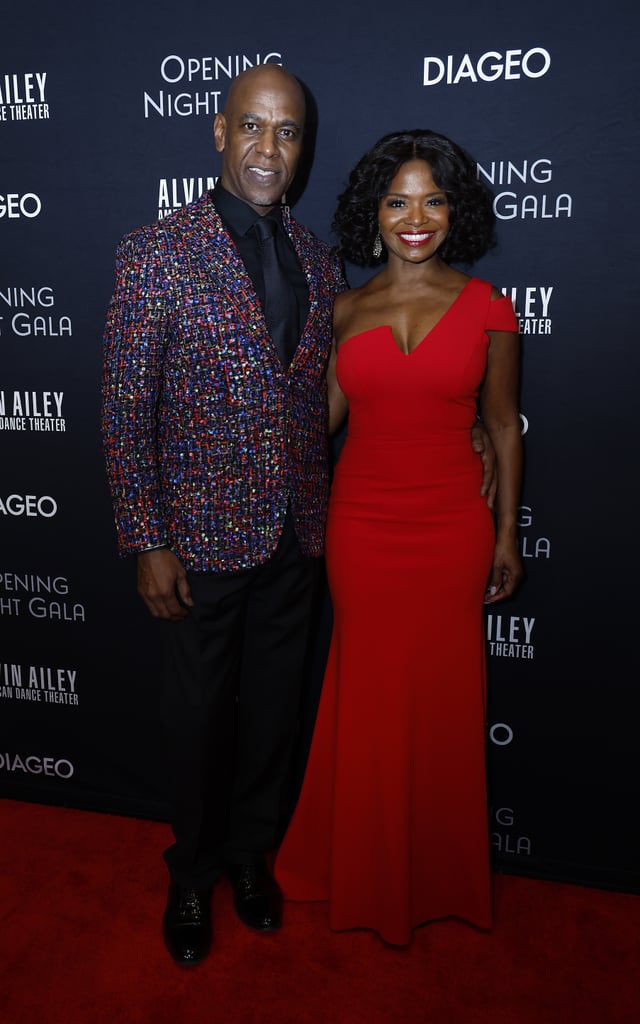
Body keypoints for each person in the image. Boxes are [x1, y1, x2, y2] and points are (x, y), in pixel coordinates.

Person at [102, 68, 496, 966]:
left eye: (286, 134)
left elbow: (347, 390)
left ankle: (250, 858)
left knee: (277, 710)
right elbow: (126, 407)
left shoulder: (323, 263)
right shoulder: (156, 252)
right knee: (198, 716)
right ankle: (193, 874)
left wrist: (465, 419)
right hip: (197, 537)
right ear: (218, 132)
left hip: (304, 533)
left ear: (302, 148)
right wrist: (148, 537)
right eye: (253, 128)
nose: (268, 149)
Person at [275, 129, 523, 946]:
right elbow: (321, 429)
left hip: (452, 524)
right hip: (364, 527)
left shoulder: (489, 306)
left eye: (433, 200)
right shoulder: (344, 308)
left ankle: (438, 875)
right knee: (371, 698)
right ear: (372, 213)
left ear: (455, 212)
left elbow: (502, 428)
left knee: (444, 703)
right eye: (396, 201)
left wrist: (506, 532)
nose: (415, 218)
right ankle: (365, 870)